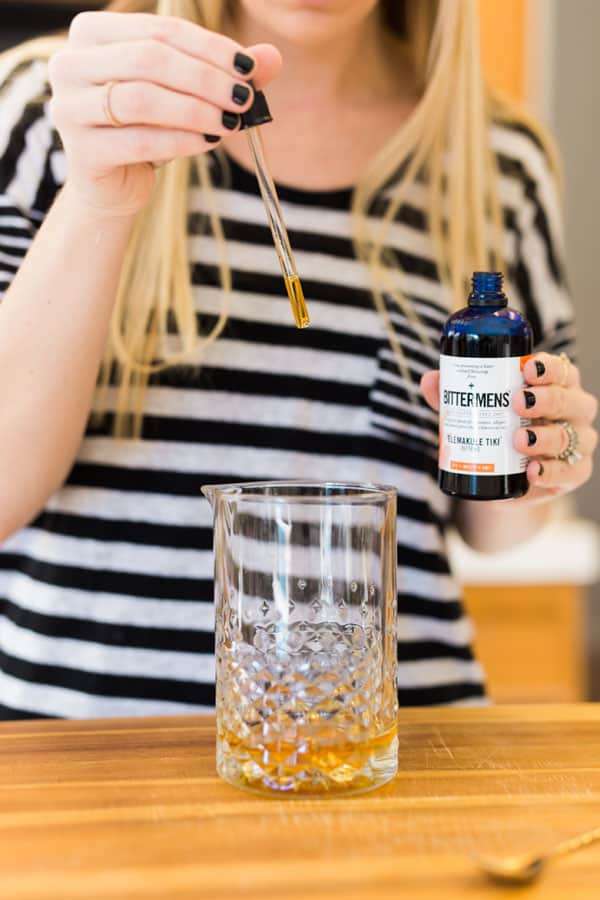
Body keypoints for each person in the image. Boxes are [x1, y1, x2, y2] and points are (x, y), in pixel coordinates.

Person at [0, 0, 596, 720]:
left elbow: (496, 530)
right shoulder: (58, 110)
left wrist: (539, 459)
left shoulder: (498, 163)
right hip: (90, 761)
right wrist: (98, 198)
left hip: (389, 752)